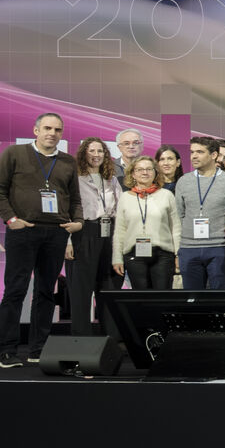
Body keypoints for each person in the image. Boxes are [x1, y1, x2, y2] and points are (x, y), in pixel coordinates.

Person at [0, 113, 80, 365]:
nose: (52, 133)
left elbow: (74, 198)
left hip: (56, 232)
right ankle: (8, 351)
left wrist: (78, 221)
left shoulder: (67, 161)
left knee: (46, 291)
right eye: (47, 128)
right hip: (23, 231)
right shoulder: (14, 153)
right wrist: (11, 219)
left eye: (57, 130)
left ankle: (38, 349)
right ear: (36, 130)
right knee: (15, 289)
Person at [66, 136, 121, 334]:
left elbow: (121, 210)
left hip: (109, 232)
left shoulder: (111, 178)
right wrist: (68, 241)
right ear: (83, 154)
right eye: (92, 151)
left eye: (100, 151)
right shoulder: (74, 179)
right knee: (81, 289)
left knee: (108, 287)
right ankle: (81, 338)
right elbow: (67, 211)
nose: (96, 155)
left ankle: (111, 338)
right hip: (84, 232)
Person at [175, 136, 225, 289]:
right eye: (192, 152)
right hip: (189, 248)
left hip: (220, 247)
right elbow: (180, 215)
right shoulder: (183, 181)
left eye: (200, 152)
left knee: (219, 297)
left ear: (213, 155)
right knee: (193, 298)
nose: (194, 156)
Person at [112, 156, 180, 291]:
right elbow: (120, 231)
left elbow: (176, 228)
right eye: (140, 169)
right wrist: (117, 258)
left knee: (162, 297)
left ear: (155, 172)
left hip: (163, 255)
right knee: (141, 299)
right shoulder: (125, 197)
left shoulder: (166, 195)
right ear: (133, 174)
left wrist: (178, 254)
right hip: (134, 254)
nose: (145, 172)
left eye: (149, 169)